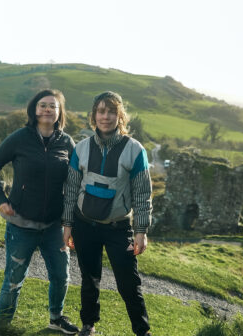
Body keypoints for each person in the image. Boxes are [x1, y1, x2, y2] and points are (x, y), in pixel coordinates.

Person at [0, 89, 80, 334]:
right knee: (13, 281)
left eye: (53, 106)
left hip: (54, 227)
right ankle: (2, 326)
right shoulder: (19, 138)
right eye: (43, 105)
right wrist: (0, 199)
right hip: (20, 225)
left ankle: (56, 319)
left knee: (61, 276)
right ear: (34, 110)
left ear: (60, 113)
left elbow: (78, 180)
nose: (48, 109)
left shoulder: (67, 142)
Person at [62, 91, 153, 336]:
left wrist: (141, 231)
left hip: (118, 227)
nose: (106, 116)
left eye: (111, 111)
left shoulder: (135, 150)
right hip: (84, 225)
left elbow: (142, 194)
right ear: (94, 115)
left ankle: (142, 331)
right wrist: (68, 224)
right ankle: (88, 325)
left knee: (128, 283)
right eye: (101, 111)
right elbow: (71, 189)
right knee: (89, 279)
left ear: (120, 115)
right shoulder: (81, 148)